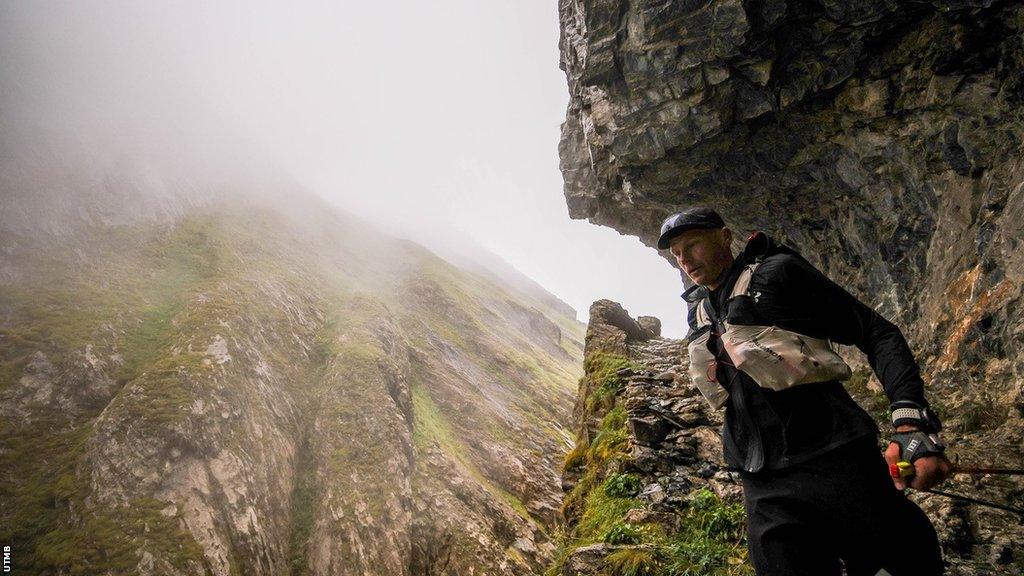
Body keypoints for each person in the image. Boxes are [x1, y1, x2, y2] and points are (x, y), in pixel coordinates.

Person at [658, 206, 952, 576]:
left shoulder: (776, 275)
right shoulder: (700, 312)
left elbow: (877, 333)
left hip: (835, 456)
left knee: (899, 563)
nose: (685, 259)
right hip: (762, 480)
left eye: (692, 245)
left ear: (724, 236)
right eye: (677, 255)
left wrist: (910, 425)